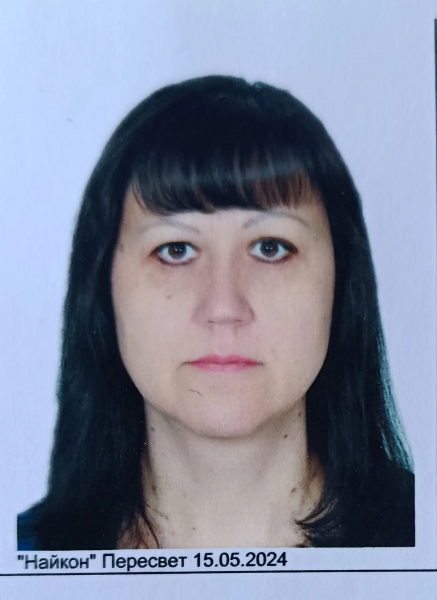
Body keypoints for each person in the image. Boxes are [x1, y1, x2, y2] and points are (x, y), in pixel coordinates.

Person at [17, 75, 414, 550]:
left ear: (341, 281)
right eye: (176, 250)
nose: (224, 308)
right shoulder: (21, 560)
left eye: (270, 247)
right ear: (104, 289)